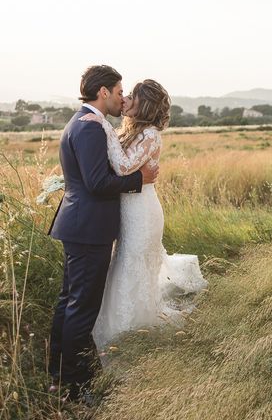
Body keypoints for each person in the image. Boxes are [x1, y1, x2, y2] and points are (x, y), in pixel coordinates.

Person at [48, 65, 159, 401]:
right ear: (104, 92)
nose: (122, 97)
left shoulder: (83, 122)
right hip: (88, 229)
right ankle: (78, 389)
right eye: (119, 90)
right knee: (81, 310)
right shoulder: (91, 127)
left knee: (69, 303)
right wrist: (141, 180)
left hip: (81, 226)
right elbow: (97, 184)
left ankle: (58, 376)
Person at [80, 79, 207, 353]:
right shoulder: (131, 130)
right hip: (128, 210)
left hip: (142, 213)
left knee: (132, 269)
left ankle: (132, 337)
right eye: (123, 95)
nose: (124, 100)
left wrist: (104, 125)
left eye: (131, 97)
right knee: (123, 267)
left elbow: (124, 166)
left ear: (143, 104)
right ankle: (122, 334)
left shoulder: (150, 134)